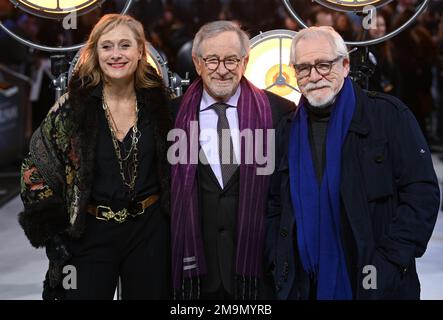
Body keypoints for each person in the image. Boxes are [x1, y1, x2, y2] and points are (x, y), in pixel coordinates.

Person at [266, 26, 440, 300]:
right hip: (302, 286)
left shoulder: (388, 116)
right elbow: (274, 204)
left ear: (345, 64)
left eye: (324, 65)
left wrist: (389, 263)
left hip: (376, 283)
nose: (314, 76)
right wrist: (276, 258)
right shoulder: (285, 130)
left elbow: (422, 195)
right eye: (303, 68)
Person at [19, 14, 172, 300]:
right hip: (90, 232)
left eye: (125, 45)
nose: (116, 54)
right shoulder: (72, 107)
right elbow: (34, 168)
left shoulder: (161, 105)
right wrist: (52, 231)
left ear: (140, 52)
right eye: (107, 46)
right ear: (95, 52)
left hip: (150, 231)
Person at [170, 20, 295, 300]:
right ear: (197, 62)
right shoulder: (171, 116)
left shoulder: (281, 111)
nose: (222, 69)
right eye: (212, 60)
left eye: (231, 60)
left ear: (246, 61)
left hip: (259, 273)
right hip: (195, 275)